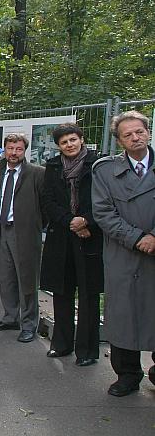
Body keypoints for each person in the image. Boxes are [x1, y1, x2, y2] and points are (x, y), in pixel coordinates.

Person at [92, 111, 155, 397]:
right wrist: (138, 238)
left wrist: (153, 236)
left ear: (148, 132)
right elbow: (103, 213)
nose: (135, 137)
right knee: (123, 314)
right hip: (123, 254)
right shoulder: (104, 170)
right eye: (127, 134)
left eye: (139, 131)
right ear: (119, 141)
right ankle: (127, 374)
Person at [40, 123, 102, 366]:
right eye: (64, 142)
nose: (69, 145)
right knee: (62, 291)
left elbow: (104, 199)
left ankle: (86, 351)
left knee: (88, 294)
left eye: (73, 139)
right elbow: (48, 200)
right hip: (62, 236)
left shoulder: (97, 164)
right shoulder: (53, 166)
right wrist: (70, 222)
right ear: (59, 146)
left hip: (90, 236)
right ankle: (62, 344)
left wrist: (86, 221)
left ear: (82, 139)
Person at [0, 134, 45, 343]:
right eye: (10, 148)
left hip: (25, 234)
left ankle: (29, 324)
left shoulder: (37, 174)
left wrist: (35, 226)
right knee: (7, 277)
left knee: (26, 280)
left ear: (24, 151)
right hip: (2, 230)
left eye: (18, 149)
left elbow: (44, 206)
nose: (13, 153)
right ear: (4, 149)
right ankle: (10, 317)